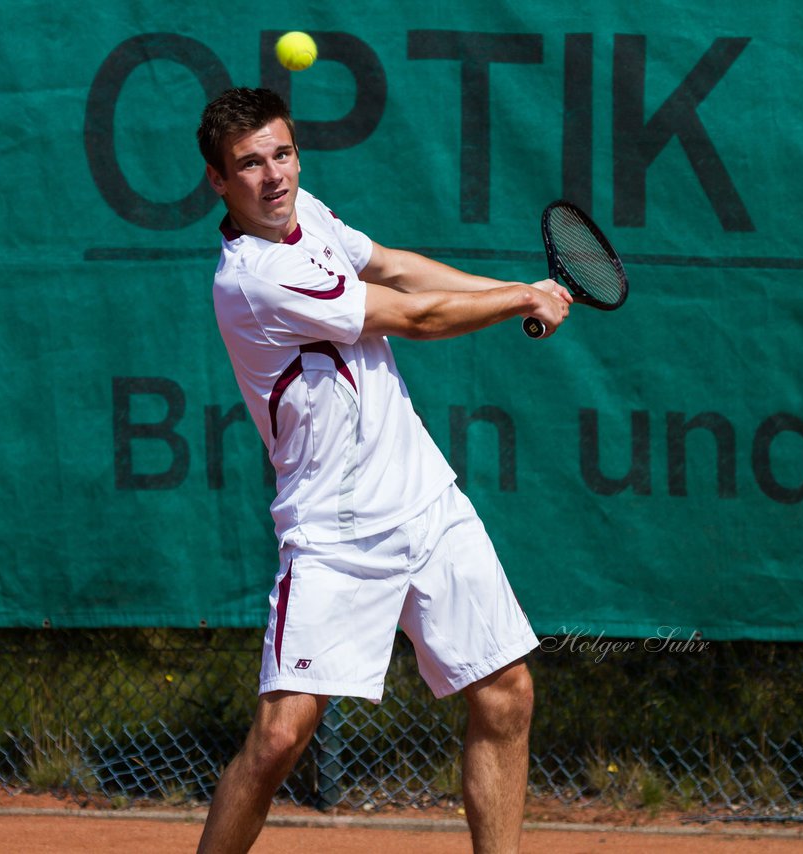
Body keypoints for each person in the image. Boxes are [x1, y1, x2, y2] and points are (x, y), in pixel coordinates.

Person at [194, 87, 572, 854]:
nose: (273, 175)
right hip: (334, 535)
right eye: (249, 164)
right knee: (276, 742)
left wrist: (515, 289)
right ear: (218, 182)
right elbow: (414, 316)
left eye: (282, 154)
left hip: (427, 505)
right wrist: (519, 299)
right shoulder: (254, 277)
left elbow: (397, 268)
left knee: (505, 694)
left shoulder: (315, 219)